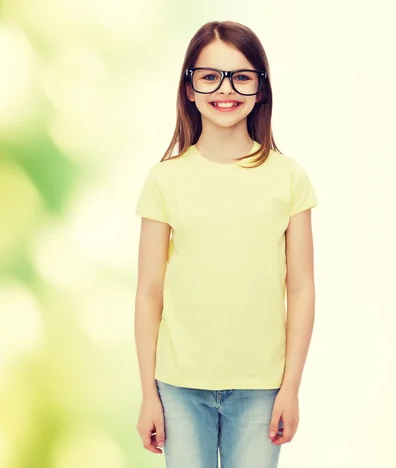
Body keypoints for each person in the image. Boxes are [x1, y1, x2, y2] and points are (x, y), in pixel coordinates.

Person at [134, 21, 318, 468]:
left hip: (261, 387)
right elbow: (149, 292)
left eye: (241, 76)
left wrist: (290, 387)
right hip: (178, 386)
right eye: (210, 75)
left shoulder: (287, 177)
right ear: (190, 87)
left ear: (260, 87)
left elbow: (302, 289)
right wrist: (148, 394)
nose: (225, 89)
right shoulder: (165, 179)